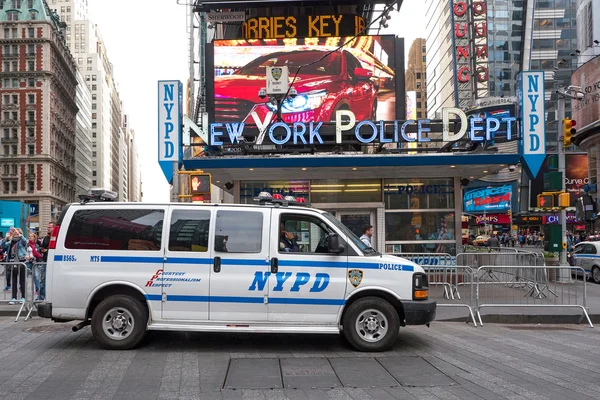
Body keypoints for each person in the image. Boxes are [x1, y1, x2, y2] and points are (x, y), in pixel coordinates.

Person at [1, 228, 28, 304]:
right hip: (12, 262)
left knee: (22, 281)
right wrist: (6, 238)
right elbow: (3, 246)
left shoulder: (22, 241)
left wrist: (19, 234)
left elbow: (24, 240)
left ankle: (23, 297)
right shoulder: (11, 242)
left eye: (17, 233)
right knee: (14, 281)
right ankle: (14, 298)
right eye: (14, 233)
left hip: (21, 262)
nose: (15, 234)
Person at [38, 222, 54, 301]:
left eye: (49, 227)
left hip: (54, 262)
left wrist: (47, 250)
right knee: (43, 280)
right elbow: (41, 247)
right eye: (48, 227)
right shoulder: (46, 238)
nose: (48, 228)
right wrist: (42, 249)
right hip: (45, 261)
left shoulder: (57, 237)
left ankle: (51, 297)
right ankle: (41, 297)